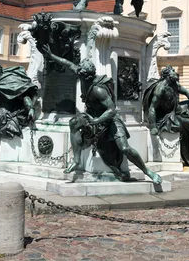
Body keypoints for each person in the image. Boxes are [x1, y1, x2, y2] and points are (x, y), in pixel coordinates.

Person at [42, 44, 162, 184]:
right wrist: (51, 56)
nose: (79, 75)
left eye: (82, 75)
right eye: (79, 73)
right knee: (74, 122)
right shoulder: (82, 74)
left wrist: (97, 121)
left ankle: (147, 172)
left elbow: (111, 110)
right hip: (92, 116)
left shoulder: (98, 89)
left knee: (125, 148)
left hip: (110, 119)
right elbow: (69, 64)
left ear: (89, 75)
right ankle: (76, 160)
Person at [143, 65, 189, 171]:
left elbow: (187, 92)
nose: (175, 72)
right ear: (167, 75)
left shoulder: (174, 84)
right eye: (173, 71)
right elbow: (152, 108)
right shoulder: (161, 88)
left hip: (175, 111)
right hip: (168, 117)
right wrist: (153, 126)